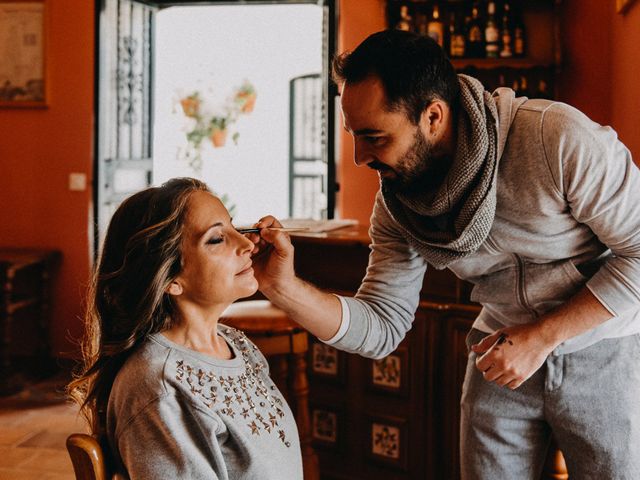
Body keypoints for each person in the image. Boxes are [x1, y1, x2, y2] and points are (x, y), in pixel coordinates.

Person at [250, 30, 640, 478]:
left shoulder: (558, 138)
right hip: (499, 352)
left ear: (433, 116)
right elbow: (380, 327)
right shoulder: (397, 206)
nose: (359, 157)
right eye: (354, 136)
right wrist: (283, 287)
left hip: (605, 345)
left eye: (374, 137)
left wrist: (543, 336)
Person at [68, 178, 303, 480]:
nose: (247, 244)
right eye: (217, 239)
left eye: (235, 227)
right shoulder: (159, 388)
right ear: (170, 279)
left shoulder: (238, 345)